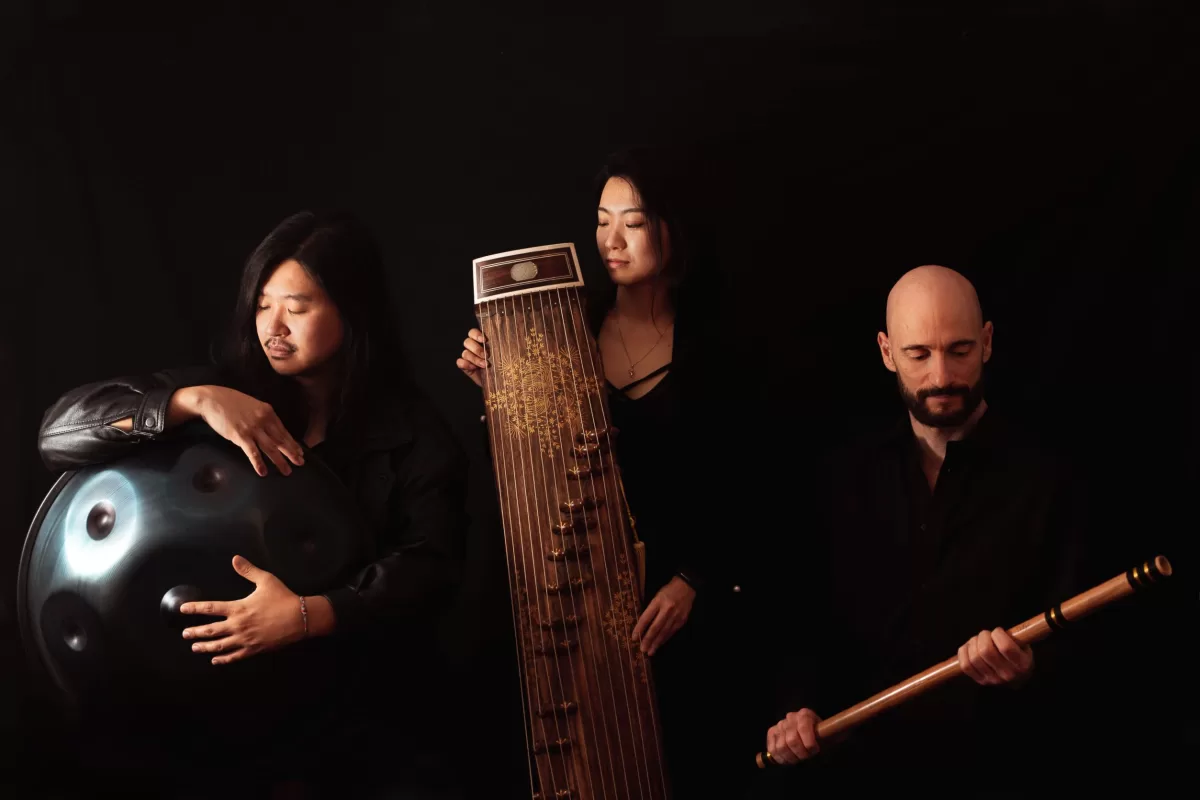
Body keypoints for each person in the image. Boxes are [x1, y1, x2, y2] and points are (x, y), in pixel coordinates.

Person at [37, 210, 469, 798]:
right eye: (263, 305)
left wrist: (306, 615)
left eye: (297, 307)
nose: (274, 327)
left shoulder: (415, 435)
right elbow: (58, 437)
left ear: (353, 311)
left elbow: (433, 568)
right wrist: (191, 401)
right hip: (221, 727)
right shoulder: (226, 395)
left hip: (351, 724)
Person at [457, 147, 761, 796]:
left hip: (678, 606)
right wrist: (500, 393)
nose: (610, 240)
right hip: (581, 594)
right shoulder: (566, 326)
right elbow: (535, 474)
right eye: (601, 220)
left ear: (674, 229)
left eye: (633, 222)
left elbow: (752, 485)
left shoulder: (718, 346)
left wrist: (692, 581)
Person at [761, 265, 1087, 787]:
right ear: (888, 353)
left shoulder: (1046, 477)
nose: (940, 377)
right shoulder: (840, 478)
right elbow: (803, 620)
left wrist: (1030, 670)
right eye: (919, 355)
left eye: (959, 350)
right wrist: (798, 707)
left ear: (986, 342)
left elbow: (1088, 645)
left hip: (1005, 769)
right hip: (862, 773)